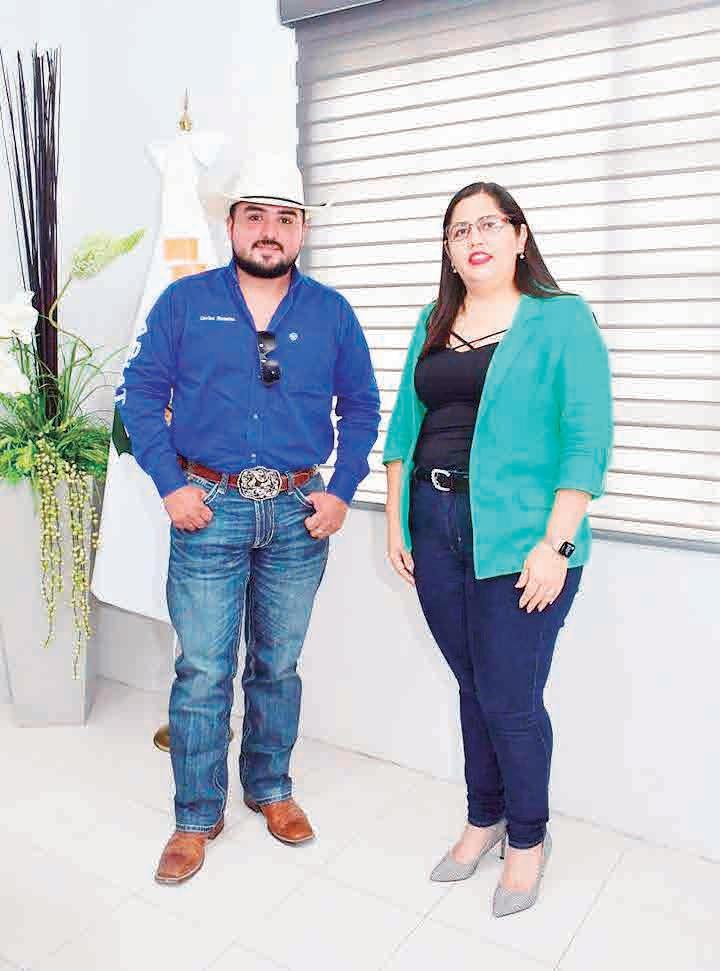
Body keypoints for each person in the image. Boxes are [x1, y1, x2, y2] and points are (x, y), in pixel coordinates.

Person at [118, 153, 380, 885]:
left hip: (300, 513)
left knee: (277, 663)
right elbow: (139, 396)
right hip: (208, 508)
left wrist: (342, 490)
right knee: (204, 668)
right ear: (231, 224)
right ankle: (195, 816)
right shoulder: (184, 302)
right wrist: (171, 487)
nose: (270, 230)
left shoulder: (331, 312)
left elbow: (362, 406)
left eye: (285, 219)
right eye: (255, 215)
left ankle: (270, 787)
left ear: (302, 232)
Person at [383, 181, 612, 917]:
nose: (474, 239)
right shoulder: (432, 320)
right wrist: (396, 521)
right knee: (472, 684)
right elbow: (403, 426)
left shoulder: (561, 318)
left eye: (488, 224)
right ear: (448, 250)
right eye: (459, 230)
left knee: (510, 696)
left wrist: (557, 543)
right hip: (433, 521)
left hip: (523, 537)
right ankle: (484, 817)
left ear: (519, 235)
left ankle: (528, 836)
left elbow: (587, 435)